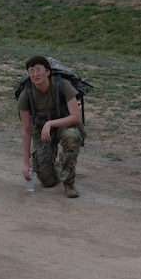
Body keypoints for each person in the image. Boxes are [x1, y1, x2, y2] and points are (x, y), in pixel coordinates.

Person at [18, 55, 84, 198]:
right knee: (47, 181)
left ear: (47, 72)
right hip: (42, 131)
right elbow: (26, 129)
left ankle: (69, 183)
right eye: (31, 71)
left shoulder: (62, 85)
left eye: (38, 70)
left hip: (64, 124)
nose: (35, 74)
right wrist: (25, 163)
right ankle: (61, 164)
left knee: (71, 137)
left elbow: (76, 117)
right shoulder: (26, 94)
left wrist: (50, 123)